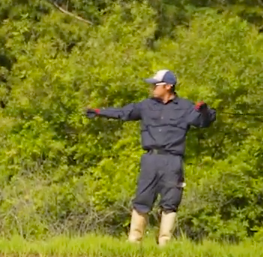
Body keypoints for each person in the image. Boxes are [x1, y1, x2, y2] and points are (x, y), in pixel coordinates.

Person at [85, 70, 216, 245]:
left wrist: (205, 110)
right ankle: (134, 241)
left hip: (172, 161)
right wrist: (99, 111)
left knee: (170, 202)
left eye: (156, 85)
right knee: (142, 199)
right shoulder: (146, 105)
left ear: (168, 86)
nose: (152, 88)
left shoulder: (185, 107)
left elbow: (205, 121)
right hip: (150, 160)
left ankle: (165, 244)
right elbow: (124, 112)